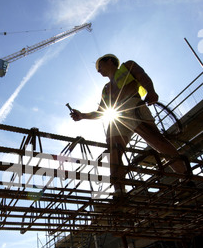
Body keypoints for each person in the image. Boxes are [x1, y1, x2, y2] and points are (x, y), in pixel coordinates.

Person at [70, 54, 191, 196]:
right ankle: (119, 190)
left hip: (133, 107)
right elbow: (101, 112)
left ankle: (186, 177)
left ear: (109, 60)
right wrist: (82, 115)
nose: (98, 71)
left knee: (157, 142)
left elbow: (142, 76)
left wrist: (151, 91)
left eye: (99, 66)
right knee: (113, 150)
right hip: (116, 117)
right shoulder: (106, 88)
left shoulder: (128, 66)